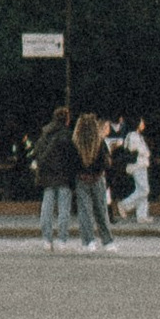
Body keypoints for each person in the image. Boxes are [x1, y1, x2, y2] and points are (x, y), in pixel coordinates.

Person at [31, 110, 78, 250]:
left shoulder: (45, 133)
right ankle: (62, 240)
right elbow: (72, 157)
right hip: (63, 176)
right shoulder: (68, 135)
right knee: (64, 210)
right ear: (67, 120)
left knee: (47, 208)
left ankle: (47, 240)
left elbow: (37, 152)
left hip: (47, 176)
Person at [70, 108, 114, 252]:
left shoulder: (75, 143)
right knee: (101, 211)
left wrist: (79, 175)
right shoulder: (99, 142)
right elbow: (106, 162)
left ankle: (89, 242)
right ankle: (107, 241)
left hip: (81, 179)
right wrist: (98, 173)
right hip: (97, 179)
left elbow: (71, 163)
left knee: (85, 211)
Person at [118, 117, 154, 227]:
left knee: (141, 189)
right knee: (144, 189)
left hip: (141, 165)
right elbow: (141, 151)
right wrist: (146, 152)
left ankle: (142, 215)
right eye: (141, 122)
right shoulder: (133, 136)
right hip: (137, 166)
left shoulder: (138, 136)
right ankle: (124, 204)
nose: (143, 123)